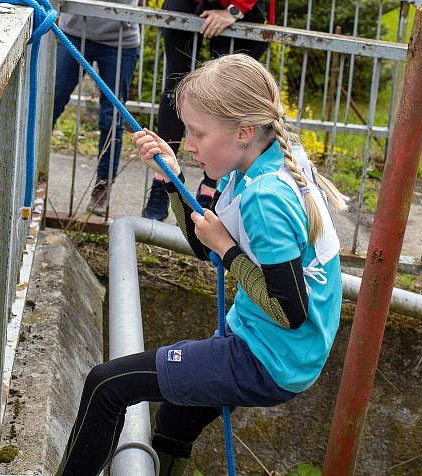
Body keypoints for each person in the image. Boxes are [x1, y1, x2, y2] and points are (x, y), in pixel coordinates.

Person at [56, 54, 345, 475]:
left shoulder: (267, 197)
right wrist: (170, 178)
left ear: (243, 132)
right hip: (278, 347)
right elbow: (202, 242)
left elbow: (289, 311)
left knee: (107, 384)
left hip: (270, 355)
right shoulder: (261, 162)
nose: (188, 145)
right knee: (174, 418)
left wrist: (227, 249)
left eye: (197, 133)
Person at [142, 0, 270, 221]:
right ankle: (162, 177)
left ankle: (212, 187)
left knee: (229, 96)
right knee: (176, 86)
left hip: (243, 9)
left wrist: (235, 9)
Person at [52, 0, 140, 215]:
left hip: (121, 39)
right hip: (73, 29)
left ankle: (103, 185)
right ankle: (31, 172)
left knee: (112, 118)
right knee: (50, 104)